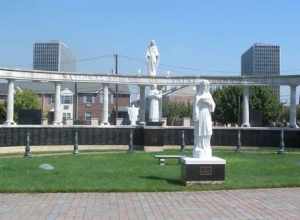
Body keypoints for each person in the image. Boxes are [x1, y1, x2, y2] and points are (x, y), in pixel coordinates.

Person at [193, 80, 216, 159]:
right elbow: (195, 106)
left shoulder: (209, 95)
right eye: (203, 85)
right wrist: (196, 114)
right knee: (200, 131)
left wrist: (208, 103)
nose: (205, 87)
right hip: (200, 114)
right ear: (201, 86)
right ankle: (199, 146)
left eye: (206, 86)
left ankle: (206, 146)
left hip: (207, 115)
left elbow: (213, 106)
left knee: (208, 130)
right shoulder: (197, 95)